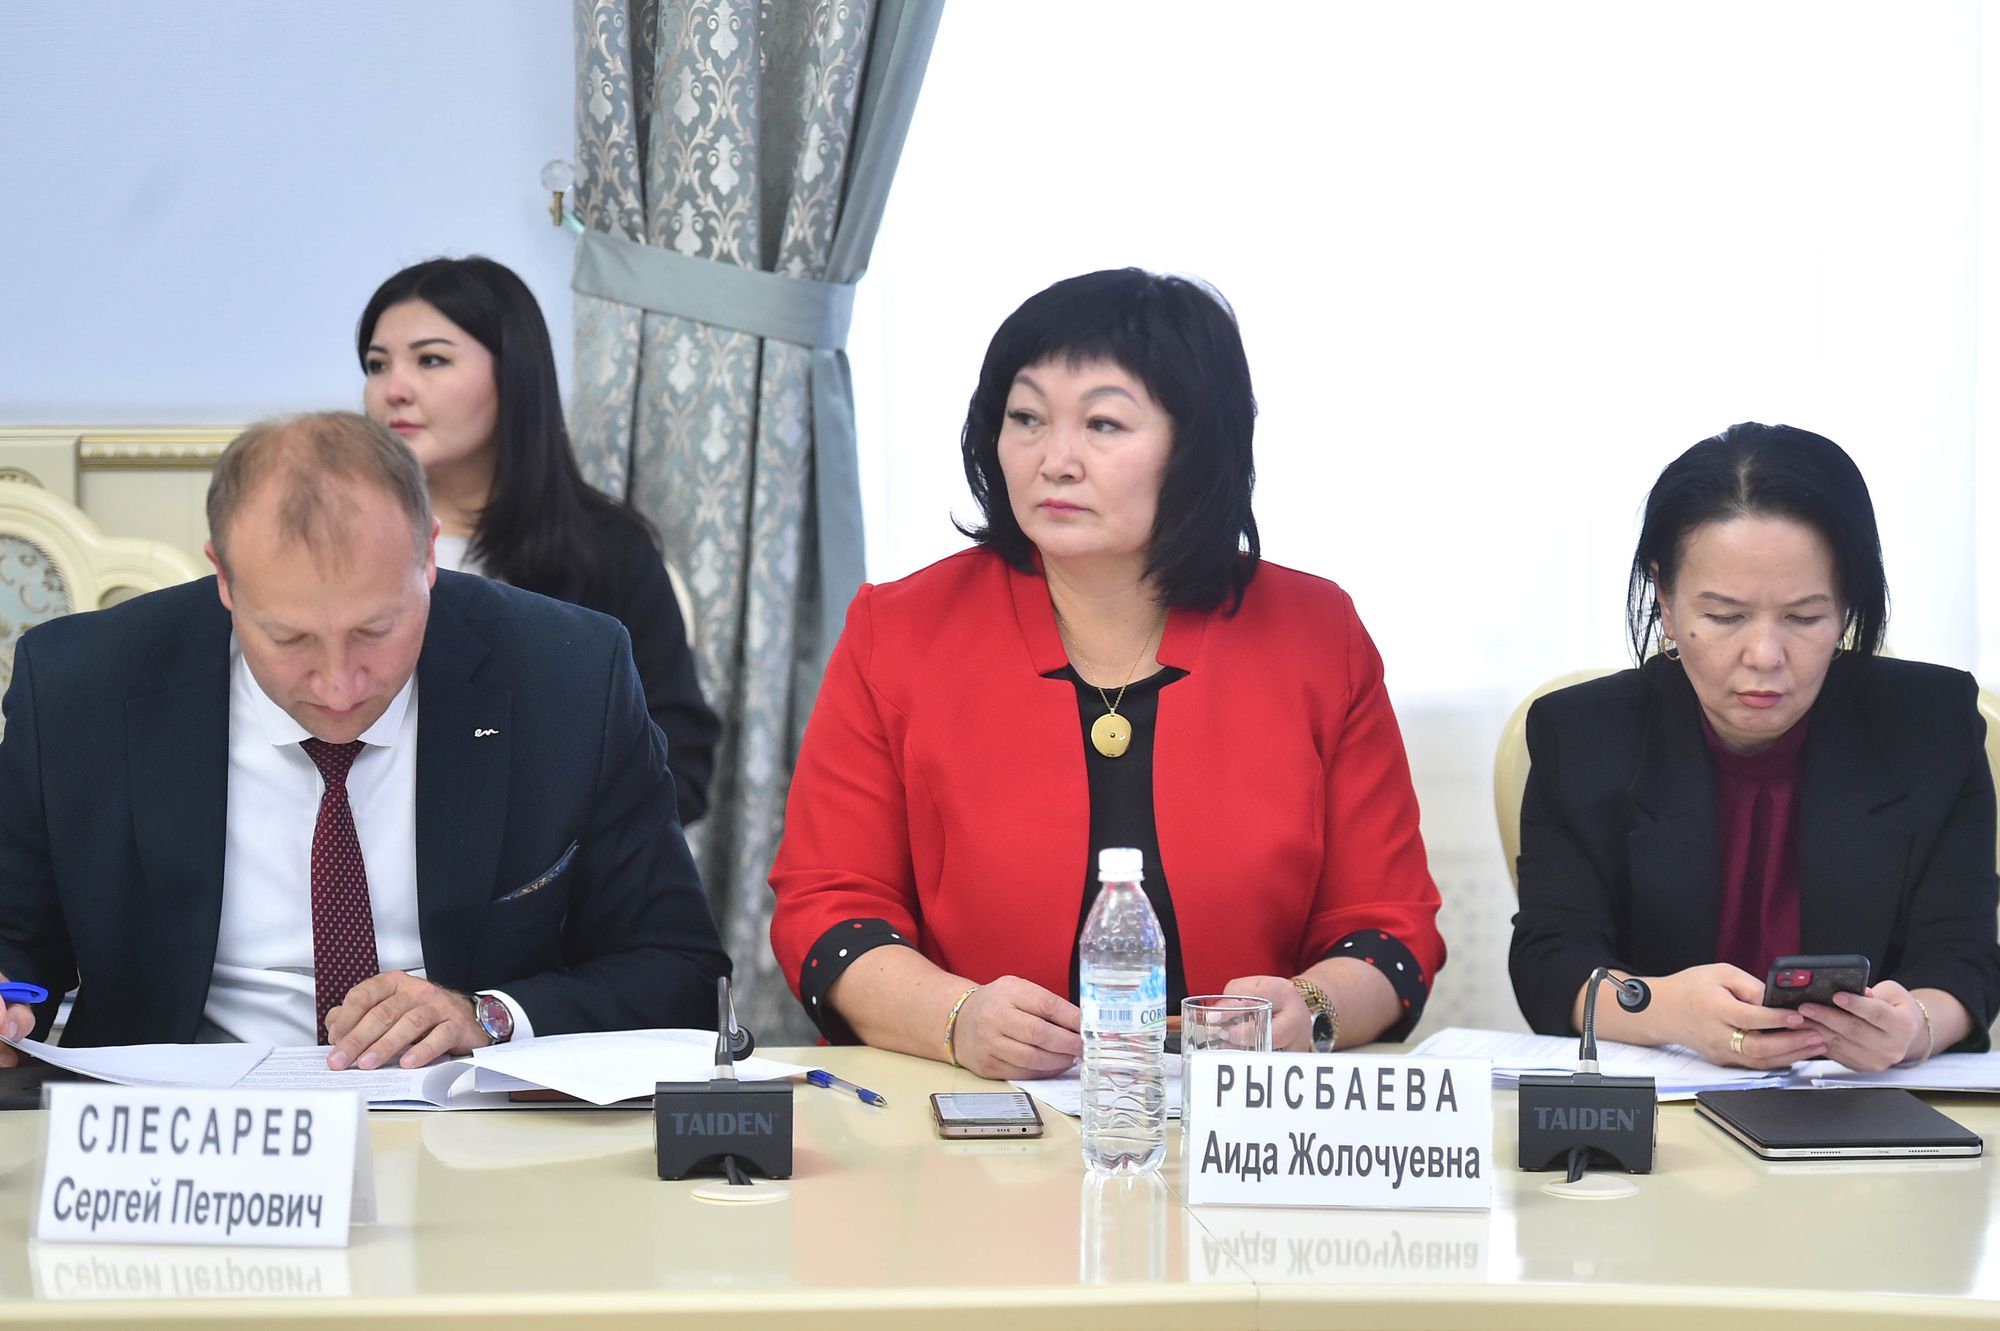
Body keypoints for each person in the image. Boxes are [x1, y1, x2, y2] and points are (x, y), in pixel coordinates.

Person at [769, 269, 1445, 1080]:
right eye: (1026, 418)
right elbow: (827, 909)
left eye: (1103, 424)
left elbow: (1389, 928)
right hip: (964, 1108)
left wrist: (1313, 1009)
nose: (1055, 460)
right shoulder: (900, 630)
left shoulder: (1315, 634)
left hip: (1242, 1117)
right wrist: (957, 1018)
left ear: (1195, 446)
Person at [0, 412, 730, 1070]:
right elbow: (18, 941)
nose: (339, 683)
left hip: (472, 1121)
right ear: (224, 578)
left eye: (375, 630)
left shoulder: (568, 676)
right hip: (179, 1128)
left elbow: (679, 970)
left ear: (429, 558)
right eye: (289, 639)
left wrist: (491, 1015)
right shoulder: (79, 688)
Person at [1510, 423, 2000, 1070]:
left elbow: (1963, 957)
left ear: (1847, 602)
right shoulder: (1581, 735)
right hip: (1661, 1114)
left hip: (1863, 1107)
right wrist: (1667, 1011)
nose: (1765, 655)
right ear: (1664, 597)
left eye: (1804, 617)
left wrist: (1913, 1027)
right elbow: (1550, 962)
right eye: (1724, 616)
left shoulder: (1932, 727)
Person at [358, 256, 719, 825]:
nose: (393, 390)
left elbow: (681, 765)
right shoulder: (337, 543)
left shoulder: (607, 553)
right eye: (377, 365)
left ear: (514, 375)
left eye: (431, 360)